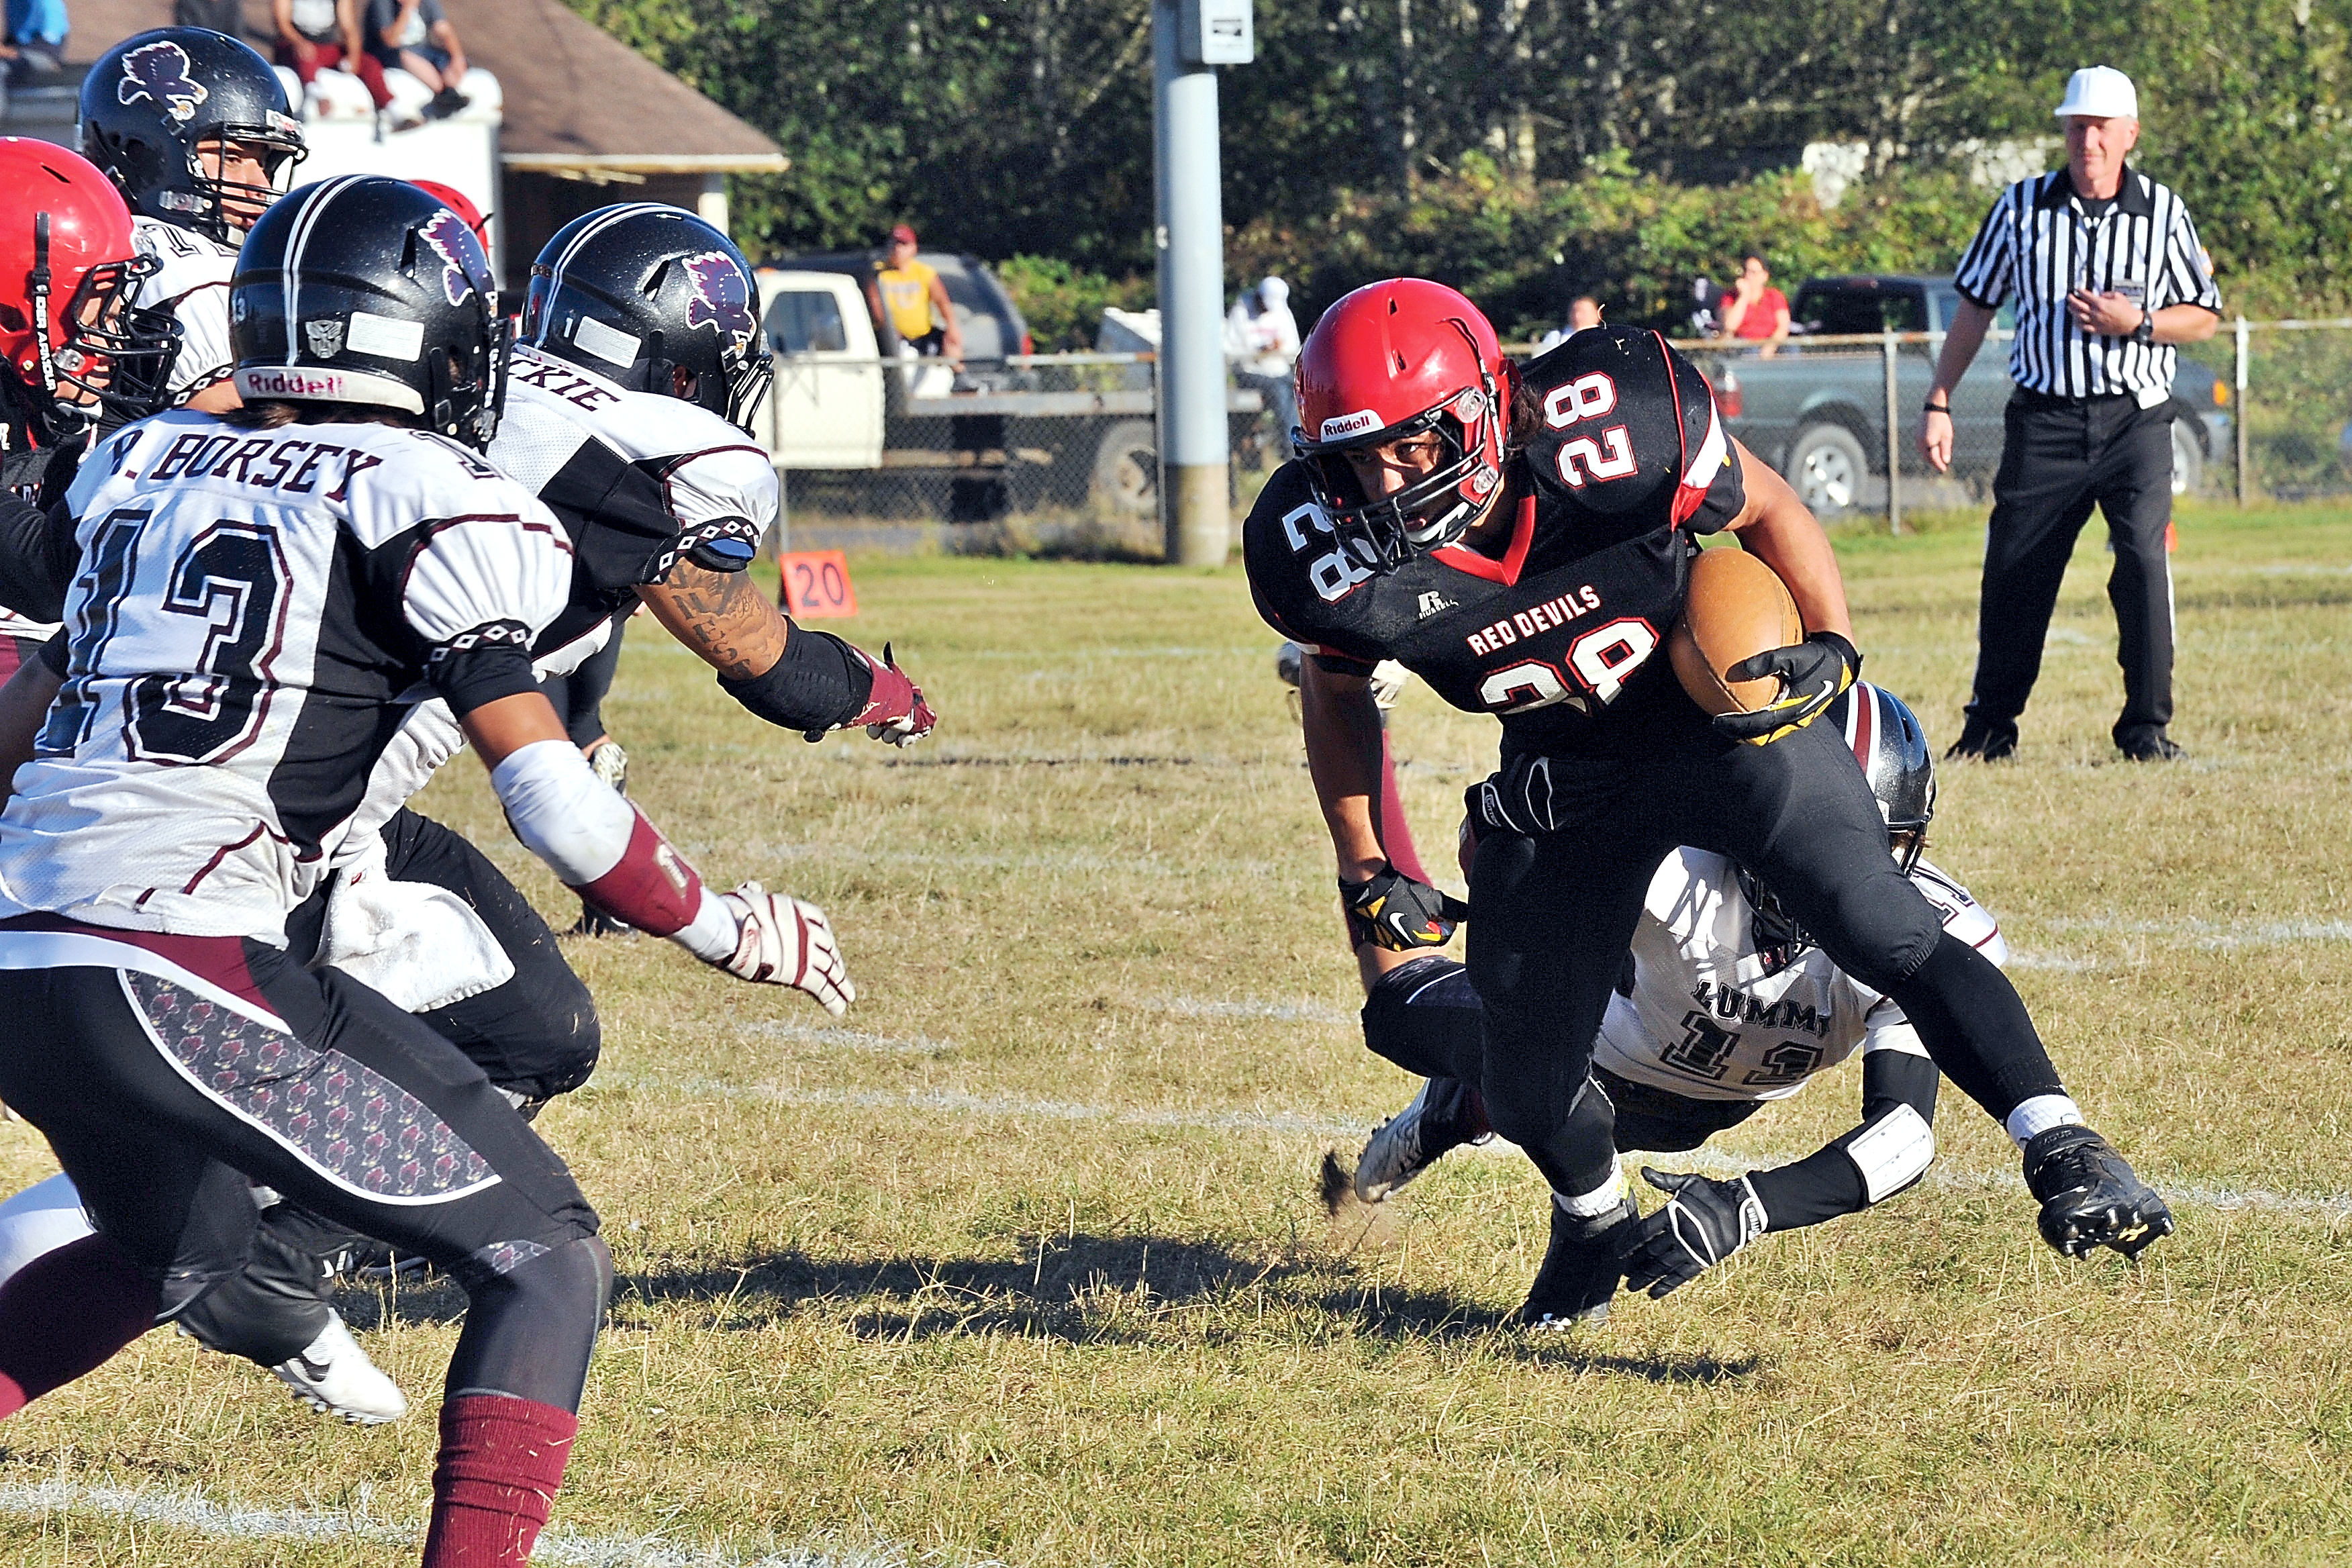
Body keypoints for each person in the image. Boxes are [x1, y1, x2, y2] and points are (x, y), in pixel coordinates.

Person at [0, 173, 836, 1568]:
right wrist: (728, 929)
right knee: (544, 1252)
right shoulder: (438, 489)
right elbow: (559, 807)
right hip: (188, 960)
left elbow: (28, 707)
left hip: (25, 953)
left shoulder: (139, 459)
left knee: (194, 1256)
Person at [1242, 279, 2170, 1328]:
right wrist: (1367, 857)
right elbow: (1332, 684)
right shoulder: (1321, 549)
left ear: (1491, 402)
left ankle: (2061, 1140)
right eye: (1356, 458)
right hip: (1566, 789)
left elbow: (1771, 507)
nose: (1388, 480)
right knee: (1536, 1084)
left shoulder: (1616, 422)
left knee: (1878, 917)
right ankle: (1591, 1224)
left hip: (1712, 732)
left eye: (1415, 443)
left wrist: (1835, 650)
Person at [1344, 685, 2014, 1304]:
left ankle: (1464, 1107)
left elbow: (1905, 1136)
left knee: (1579, 1118)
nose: (1840, 873)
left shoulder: (1929, 927)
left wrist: (1749, 1205)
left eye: (1879, 844)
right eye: (1824, 842)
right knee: (1397, 1013)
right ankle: (1362, 726)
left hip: (1705, 1109)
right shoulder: (1679, 865)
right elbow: (1500, 855)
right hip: (1586, 1050)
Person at [1921, 66, 2220, 765]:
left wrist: (2138, 320)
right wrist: (1938, 398)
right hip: (2045, 421)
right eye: (2077, 126)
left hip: (2136, 421)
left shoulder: (2164, 213)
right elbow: (1974, 306)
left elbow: (2203, 316)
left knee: (2144, 562)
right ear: (2063, 130)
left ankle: (2146, 728)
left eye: (2101, 128)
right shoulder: (2020, 208)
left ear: (2130, 135)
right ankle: (1991, 727)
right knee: (2015, 570)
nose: (2087, 141)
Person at [0, 140, 180, 671]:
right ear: (14, 305)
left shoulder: (33, 395)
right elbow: (44, 578)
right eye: (99, 301)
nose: (115, 329)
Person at [80, 28, 309, 413]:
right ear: (143, 154)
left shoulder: (92, 238)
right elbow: (260, 438)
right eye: (233, 157)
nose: (261, 185)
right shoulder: (193, 271)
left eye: (267, 162)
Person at [271, 0, 395, 119]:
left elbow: (349, 28)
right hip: (293, 47)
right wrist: (299, 42)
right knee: (305, 55)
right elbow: (282, 22)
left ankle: (392, 107)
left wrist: (353, 56)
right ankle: (317, 94)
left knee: (368, 62)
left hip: (325, 46)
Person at [865, 222, 963, 365]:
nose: (897, 249)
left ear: (913, 248)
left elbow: (942, 301)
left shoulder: (924, 273)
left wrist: (952, 327)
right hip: (893, 337)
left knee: (952, 345)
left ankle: (961, 381)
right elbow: (876, 306)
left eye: (903, 244)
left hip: (923, 335)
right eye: (894, 244)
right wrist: (889, 329)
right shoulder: (879, 272)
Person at [365, 0, 469, 121]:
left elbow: (444, 30)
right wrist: (407, 9)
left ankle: (450, 91)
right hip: (389, 54)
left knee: (448, 59)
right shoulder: (382, 4)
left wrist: (457, 57)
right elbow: (391, 40)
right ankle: (444, 93)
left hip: (422, 51)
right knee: (406, 56)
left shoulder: (427, 2)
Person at [1227, 275, 1302, 439]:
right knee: (1279, 391)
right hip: (1250, 371)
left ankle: (1301, 437)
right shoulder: (1241, 312)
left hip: (1278, 371)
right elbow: (1230, 347)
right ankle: (1288, 444)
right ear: (1259, 296)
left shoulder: (1282, 312)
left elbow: (1293, 345)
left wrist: (1278, 346)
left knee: (1298, 389)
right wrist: (1260, 349)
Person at [1718, 253, 1790, 354]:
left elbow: (1783, 326)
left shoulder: (1774, 296)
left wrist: (1770, 346)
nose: (1748, 276)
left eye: (1753, 273)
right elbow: (1729, 326)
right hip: (1743, 345)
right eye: (1746, 271)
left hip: (1770, 342)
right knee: (1750, 350)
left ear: (1765, 276)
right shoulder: (1730, 297)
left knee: (1791, 348)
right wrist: (1744, 296)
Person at [1534, 295, 1604, 354]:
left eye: (1583, 312)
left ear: (1598, 315)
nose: (1577, 316)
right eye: (1574, 311)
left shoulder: (1605, 337)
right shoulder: (1555, 337)